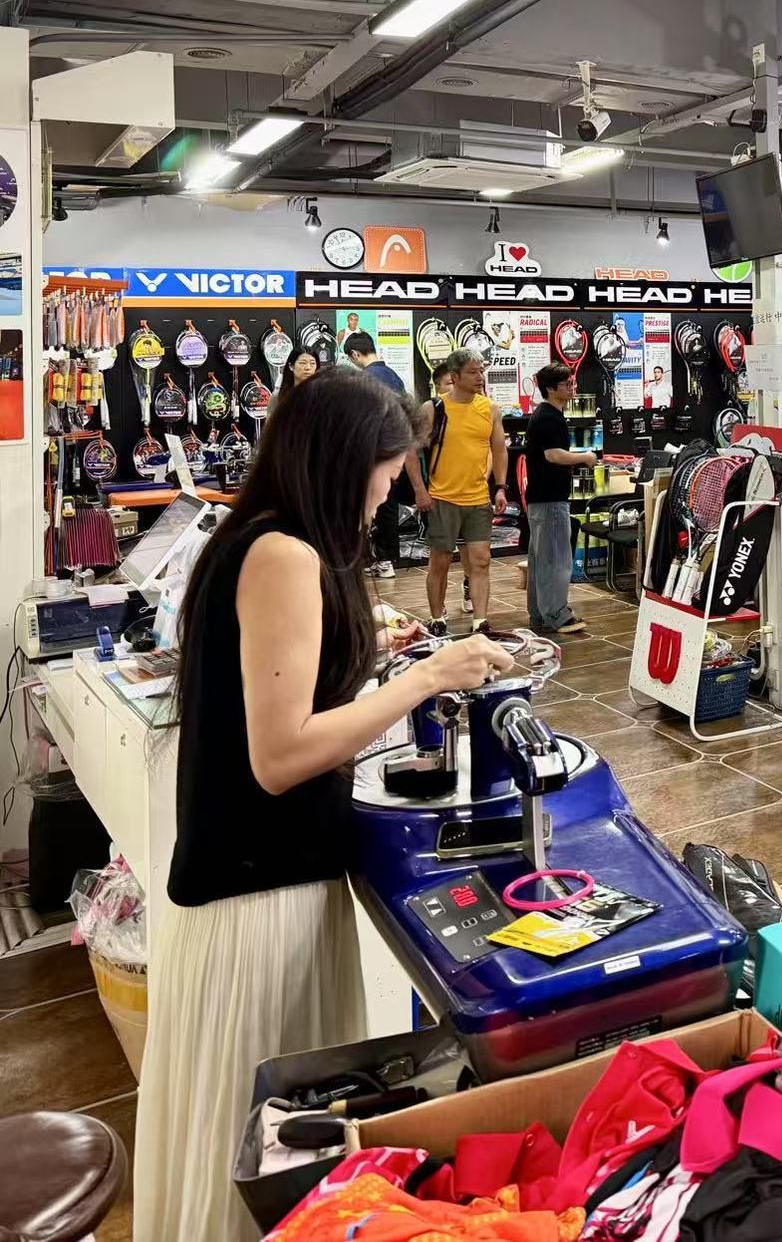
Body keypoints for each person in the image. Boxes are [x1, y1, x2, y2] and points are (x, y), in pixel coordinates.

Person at [134, 370, 513, 1241]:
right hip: (258, 899)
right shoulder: (283, 554)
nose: (388, 497)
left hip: (263, 881)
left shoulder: (267, 537)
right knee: (267, 1151)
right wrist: (427, 676)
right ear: (344, 463)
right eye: (385, 475)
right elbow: (281, 756)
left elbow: (286, 691)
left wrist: (371, 651)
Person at [422, 348, 508, 637]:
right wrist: (420, 491)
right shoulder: (434, 408)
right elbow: (410, 451)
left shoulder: (490, 409)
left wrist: (500, 487)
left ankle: (480, 620)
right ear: (455, 377)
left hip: (478, 498)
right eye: (472, 372)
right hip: (442, 497)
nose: (479, 377)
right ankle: (437, 618)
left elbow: (499, 450)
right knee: (440, 562)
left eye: (481, 370)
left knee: (481, 560)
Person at [525, 363, 599, 635]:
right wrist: (585, 457)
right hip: (550, 499)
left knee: (541, 560)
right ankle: (557, 614)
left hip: (542, 498)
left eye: (572, 383)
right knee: (555, 560)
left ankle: (541, 614)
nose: (572, 388)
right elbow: (553, 455)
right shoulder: (549, 417)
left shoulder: (546, 415)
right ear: (550, 388)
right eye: (567, 384)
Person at [345, 332, 424, 580]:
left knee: (378, 507)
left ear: (354, 354)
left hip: (375, 451)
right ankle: (385, 559)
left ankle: (383, 559)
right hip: (396, 449)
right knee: (385, 504)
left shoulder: (366, 379)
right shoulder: (392, 375)